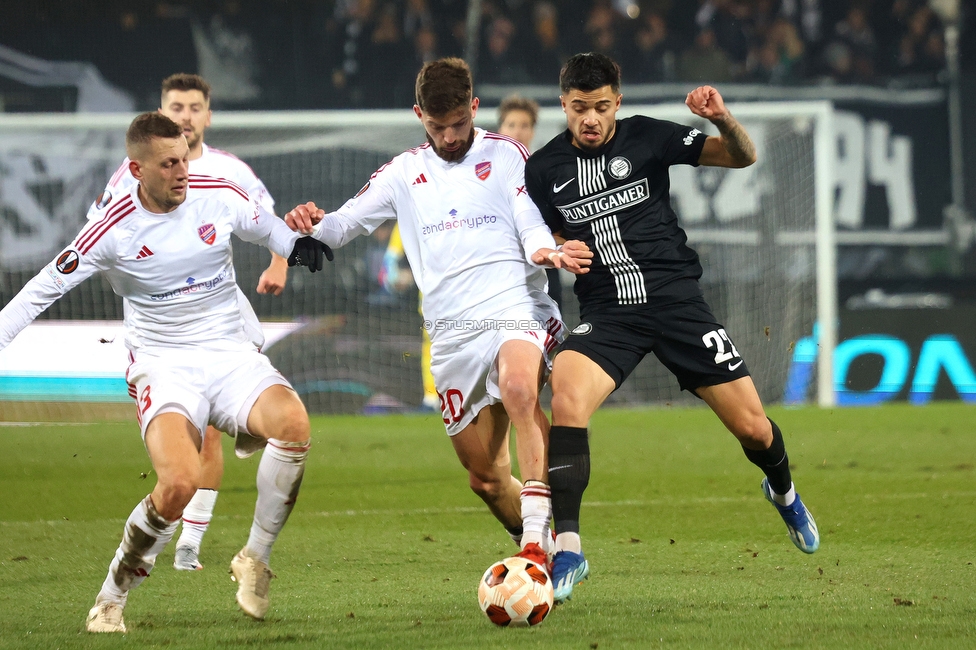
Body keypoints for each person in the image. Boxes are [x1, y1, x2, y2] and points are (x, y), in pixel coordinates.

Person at [0, 112, 331, 632]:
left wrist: (307, 234)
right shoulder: (109, 230)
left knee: (294, 426)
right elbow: (40, 290)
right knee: (179, 483)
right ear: (136, 169)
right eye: (169, 163)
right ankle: (112, 596)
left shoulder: (216, 192)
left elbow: (278, 233)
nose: (182, 172)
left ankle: (254, 558)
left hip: (228, 352)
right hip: (164, 363)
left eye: (185, 159)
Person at [523, 52, 820, 604]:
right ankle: (569, 548)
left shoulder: (649, 137)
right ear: (563, 105)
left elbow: (742, 157)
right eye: (580, 108)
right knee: (566, 390)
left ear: (619, 103)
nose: (591, 119)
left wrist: (722, 119)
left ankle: (784, 494)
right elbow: (529, 242)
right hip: (609, 316)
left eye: (602, 107)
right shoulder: (541, 171)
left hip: (679, 305)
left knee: (754, 430)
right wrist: (551, 253)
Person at [285, 58, 592, 567]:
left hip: (513, 306)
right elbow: (340, 226)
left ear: (474, 108)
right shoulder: (403, 173)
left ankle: (539, 547)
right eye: (437, 126)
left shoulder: (507, 154)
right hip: (452, 334)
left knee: (520, 390)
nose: (450, 136)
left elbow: (525, 213)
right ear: (418, 116)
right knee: (486, 477)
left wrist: (541, 249)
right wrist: (308, 224)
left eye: (459, 123)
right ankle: (538, 542)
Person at [88, 73, 289, 572]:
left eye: (194, 107)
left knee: (216, 423)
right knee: (194, 433)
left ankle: (188, 543)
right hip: (159, 326)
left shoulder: (228, 172)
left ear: (207, 115)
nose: (185, 115)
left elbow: (270, 221)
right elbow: (97, 234)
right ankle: (183, 523)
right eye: (176, 106)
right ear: (163, 110)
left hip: (217, 311)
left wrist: (280, 261)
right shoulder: (126, 178)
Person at [496, 94, 564, 311]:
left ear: (533, 131)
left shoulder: (548, 173)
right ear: (500, 130)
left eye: (524, 125)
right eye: (511, 124)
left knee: (549, 334)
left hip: (545, 263)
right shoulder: (487, 176)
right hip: (502, 267)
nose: (517, 131)